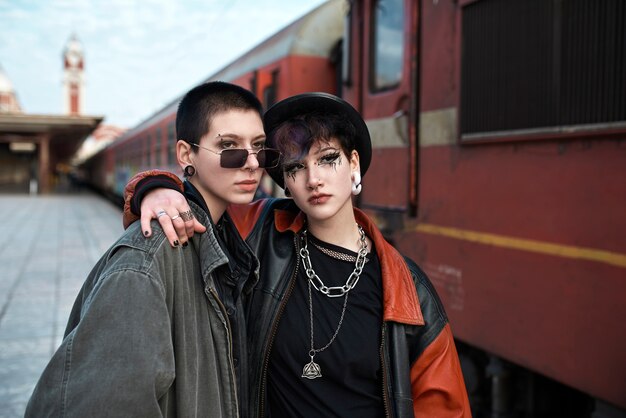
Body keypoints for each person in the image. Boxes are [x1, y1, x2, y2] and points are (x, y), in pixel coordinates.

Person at [125, 92, 471, 417]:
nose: (313, 179)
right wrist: (155, 189)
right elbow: (196, 201)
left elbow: (444, 407)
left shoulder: (408, 290)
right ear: (285, 183)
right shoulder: (257, 229)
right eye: (295, 167)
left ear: (354, 164)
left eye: (328, 159)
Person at [25, 81, 281, 417]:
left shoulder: (227, 241)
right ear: (186, 155)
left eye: (259, 147)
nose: (251, 163)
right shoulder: (145, 261)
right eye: (230, 147)